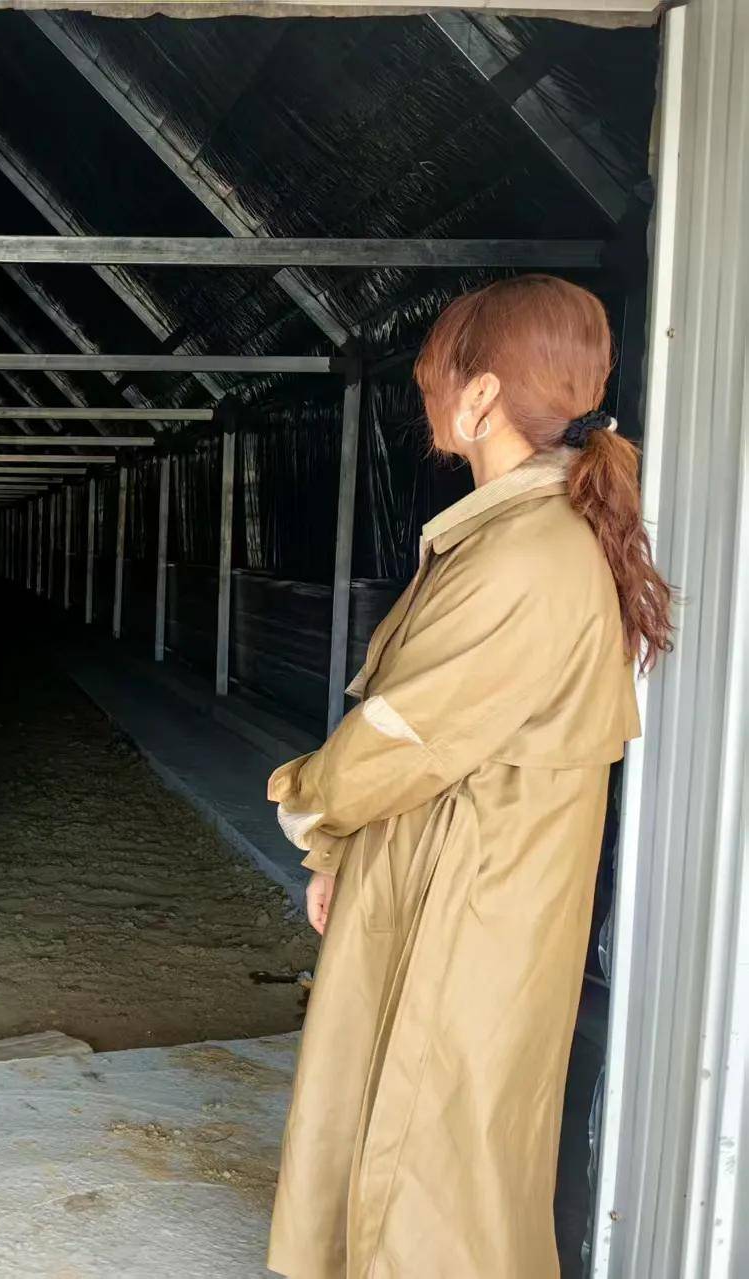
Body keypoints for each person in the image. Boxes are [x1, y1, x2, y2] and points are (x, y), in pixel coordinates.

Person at [264, 275, 670, 1279]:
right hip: (456, 878)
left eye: (434, 379)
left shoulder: (524, 555)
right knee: (422, 1139)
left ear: (482, 396)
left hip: (467, 898)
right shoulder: (517, 535)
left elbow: (395, 740)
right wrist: (342, 853)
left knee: (432, 1168)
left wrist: (309, 809)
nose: (428, 399)